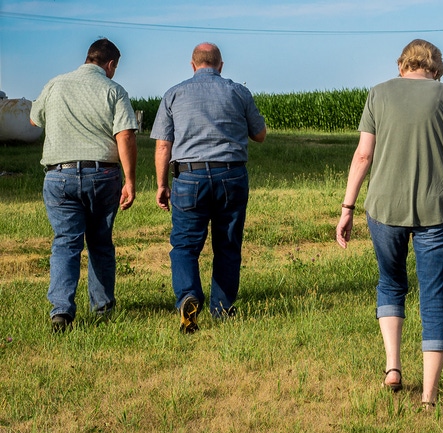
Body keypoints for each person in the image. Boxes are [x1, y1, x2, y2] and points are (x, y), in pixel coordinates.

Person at [335, 39, 443, 409]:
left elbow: (363, 154)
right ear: (435, 67)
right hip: (437, 207)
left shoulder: (378, 94)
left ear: (403, 65)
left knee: (391, 283)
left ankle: (393, 368)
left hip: (384, 208)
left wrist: (347, 206)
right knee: (434, 295)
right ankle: (429, 396)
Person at [151, 42, 267, 334]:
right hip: (231, 175)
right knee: (227, 245)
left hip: (189, 178)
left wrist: (162, 184)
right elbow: (260, 135)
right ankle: (223, 308)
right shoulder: (238, 92)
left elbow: (163, 145)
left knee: (185, 245)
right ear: (221, 65)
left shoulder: (174, 94)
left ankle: (189, 296)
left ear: (192, 66)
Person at [30, 38, 139, 332]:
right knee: (100, 243)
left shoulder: (55, 84)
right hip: (102, 175)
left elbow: (33, 120)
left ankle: (61, 312)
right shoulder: (113, 90)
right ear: (111, 64)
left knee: (66, 242)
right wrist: (130, 181)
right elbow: (126, 135)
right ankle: (102, 308)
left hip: (58, 175)